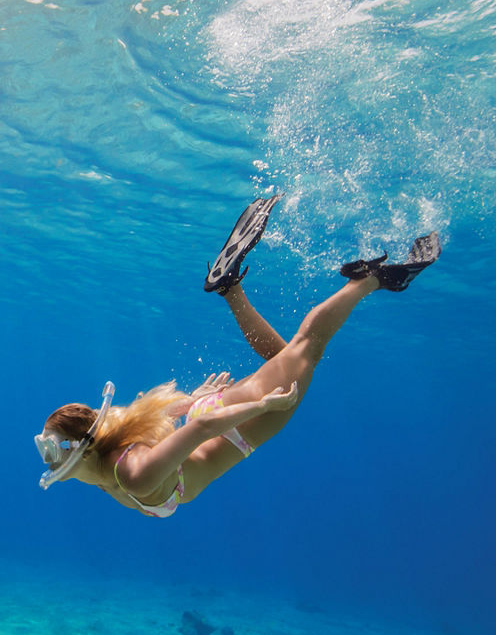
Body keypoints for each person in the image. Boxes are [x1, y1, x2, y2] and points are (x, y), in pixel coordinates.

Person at [34, 195, 440, 517]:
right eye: (48, 451)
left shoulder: (131, 477)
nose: (49, 460)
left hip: (234, 426)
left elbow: (202, 429)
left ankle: (372, 280)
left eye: (51, 450)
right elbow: (157, 421)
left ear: (80, 447)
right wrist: (191, 401)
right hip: (213, 414)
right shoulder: (109, 455)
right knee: (288, 355)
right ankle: (230, 289)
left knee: (306, 348)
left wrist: (261, 405)